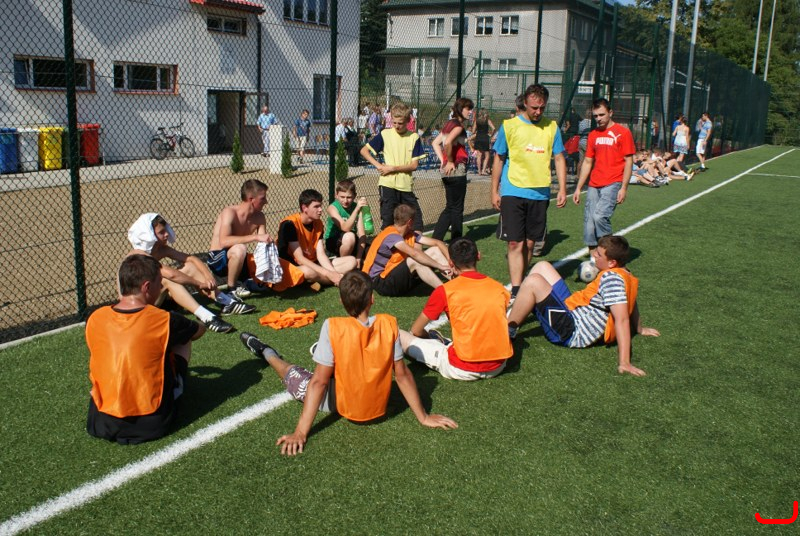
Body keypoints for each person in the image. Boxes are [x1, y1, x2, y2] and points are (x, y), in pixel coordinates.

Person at [239, 270, 457, 456]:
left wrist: (300, 432)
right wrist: (423, 417)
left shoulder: (332, 326)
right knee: (334, 364)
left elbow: (319, 383)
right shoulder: (388, 323)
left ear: (341, 302)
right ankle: (322, 353)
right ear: (372, 299)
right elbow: (402, 375)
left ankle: (266, 352)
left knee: (292, 373)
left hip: (340, 402)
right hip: (377, 402)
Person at [86, 254, 206, 444]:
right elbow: (198, 331)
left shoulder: (95, 317)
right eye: (160, 283)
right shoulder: (164, 319)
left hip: (100, 421)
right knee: (182, 339)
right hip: (151, 422)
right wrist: (202, 321)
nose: (162, 288)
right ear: (147, 287)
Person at [507, 235, 660, 376]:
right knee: (542, 266)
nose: (594, 255)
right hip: (574, 312)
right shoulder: (624, 272)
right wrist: (639, 329)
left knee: (533, 281)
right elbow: (630, 300)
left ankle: (509, 330)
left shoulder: (611, 279)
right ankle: (518, 310)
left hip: (571, 332)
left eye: (599, 254)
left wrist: (624, 362)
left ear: (612, 263)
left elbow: (622, 319)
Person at [491, 84, 567, 301]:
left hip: (539, 194)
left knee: (531, 244)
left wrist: (562, 188)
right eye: (534, 107)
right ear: (525, 103)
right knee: (515, 242)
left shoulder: (552, 127)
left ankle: (522, 279)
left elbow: (559, 158)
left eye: (542, 108)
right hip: (513, 190)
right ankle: (516, 289)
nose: (538, 112)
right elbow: (499, 158)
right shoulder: (509, 126)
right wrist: (494, 190)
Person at [399, 237, 513, 381]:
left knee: (397, 334)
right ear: (478, 256)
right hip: (499, 365)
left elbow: (416, 330)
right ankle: (445, 344)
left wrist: (428, 339)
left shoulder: (445, 290)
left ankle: (441, 344)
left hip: (461, 367)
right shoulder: (499, 288)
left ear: (451, 263)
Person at [127, 213, 246, 334]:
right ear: (149, 235)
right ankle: (206, 317)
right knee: (167, 279)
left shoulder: (161, 249)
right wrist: (199, 284)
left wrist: (208, 276)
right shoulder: (139, 254)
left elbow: (191, 258)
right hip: (139, 309)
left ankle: (225, 302)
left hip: (156, 298)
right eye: (161, 232)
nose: (166, 234)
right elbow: (170, 274)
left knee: (189, 267)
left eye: (165, 230)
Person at [572, 98, 636, 260]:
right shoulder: (593, 135)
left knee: (600, 216)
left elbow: (629, 161)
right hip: (594, 184)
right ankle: (595, 259)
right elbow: (588, 162)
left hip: (613, 182)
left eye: (601, 115)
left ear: (610, 113)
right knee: (589, 222)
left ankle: (611, 252)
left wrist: (624, 187)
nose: (598, 118)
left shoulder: (623, 132)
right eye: (595, 116)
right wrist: (578, 188)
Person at [360, 101, 426, 231]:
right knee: (388, 222)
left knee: (417, 222)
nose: (396, 126)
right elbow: (364, 151)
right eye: (394, 122)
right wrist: (379, 166)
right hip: (387, 185)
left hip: (405, 186)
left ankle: (414, 244)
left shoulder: (414, 138)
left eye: (400, 123)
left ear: (407, 121)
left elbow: (414, 165)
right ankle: (386, 244)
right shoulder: (385, 134)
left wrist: (392, 168)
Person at [362, 204, 451, 297]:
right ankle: (446, 292)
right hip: (383, 283)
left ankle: (457, 282)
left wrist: (450, 262)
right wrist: (439, 266)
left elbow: (437, 243)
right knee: (414, 260)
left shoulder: (409, 234)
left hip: (396, 277)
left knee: (435, 250)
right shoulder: (391, 236)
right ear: (410, 222)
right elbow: (414, 253)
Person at [275, 189, 357, 290]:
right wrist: (328, 273)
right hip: (293, 266)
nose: (320, 209)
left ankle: (322, 280)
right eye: (316, 206)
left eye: (320, 206)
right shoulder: (290, 224)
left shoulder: (318, 223)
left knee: (351, 261)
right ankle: (334, 280)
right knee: (308, 272)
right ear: (304, 208)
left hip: (313, 263)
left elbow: (321, 254)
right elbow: (300, 259)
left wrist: (333, 273)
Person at [207, 179, 274, 299]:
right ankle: (231, 289)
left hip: (240, 259)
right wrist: (256, 237)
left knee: (265, 253)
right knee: (240, 249)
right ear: (251, 199)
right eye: (262, 198)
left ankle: (248, 281)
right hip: (218, 259)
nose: (266, 202)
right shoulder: (230, 212)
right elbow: (224, 242)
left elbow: (262, 244)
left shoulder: (260, 217)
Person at [431, 97, 474, 242]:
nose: (470, 112)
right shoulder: (458, 127)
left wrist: (443, 161)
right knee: (457, 209)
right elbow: (447, 142)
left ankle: (436, 239)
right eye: (468, 109)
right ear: (460, 109)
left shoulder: (449, 124)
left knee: (450, 207)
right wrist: (449, 161)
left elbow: (435, 143)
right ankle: (457, 241)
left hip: (447, 172)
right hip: (456, 170)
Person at [324, 180, 368, 265]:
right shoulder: (332, 208)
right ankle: (342, 264)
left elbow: (362, 234)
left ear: (355, 196)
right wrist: (356, 210)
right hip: (334, 242)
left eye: (349, 197)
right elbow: (345, 228)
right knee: (349, 236)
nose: (345, 201)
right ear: (336, 195)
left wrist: (359, 257)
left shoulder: (357, 208)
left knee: (372, 251)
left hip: (351, 242)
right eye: (342, 197)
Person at [472, 109, 495, 176]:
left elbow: (473, 131)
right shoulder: (487, 120)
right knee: (487, 155)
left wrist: (477, 132)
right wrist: (491, 135)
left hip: (478, 137)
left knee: (479, 155)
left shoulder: (477, 121)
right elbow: (493, 128)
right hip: (485, 138)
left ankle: (479, 171)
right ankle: (483, 170)